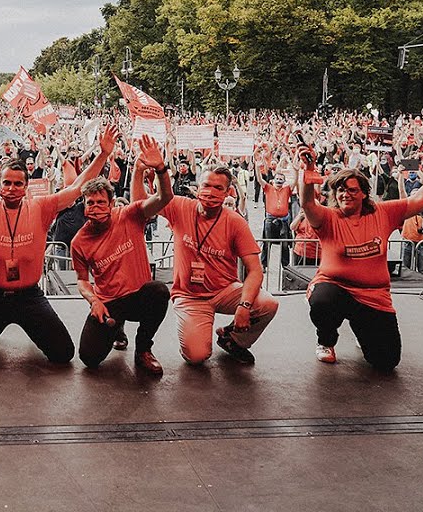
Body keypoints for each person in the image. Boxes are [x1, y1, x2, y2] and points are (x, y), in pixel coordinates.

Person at [0, 107, 117, 367]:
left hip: (28, 296)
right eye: (7, 183)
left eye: (18, 184)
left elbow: (78, 187)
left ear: (26, 187)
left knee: (63, 354)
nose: (12, 188)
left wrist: (104, 154)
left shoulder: (42, 207)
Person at [296, 134, 423, 371]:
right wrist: (308, 169)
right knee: (323, 300)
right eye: (341, 190)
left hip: (373, 296)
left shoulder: (382, 213)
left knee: (386, 362)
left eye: (352, 190)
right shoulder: (329, 218)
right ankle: (326, 340)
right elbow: (307, 203)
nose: (345, 194)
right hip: (335, 287)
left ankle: (361, 326)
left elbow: (421, 199)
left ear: (364, 193)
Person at [152, 163, 276, 366]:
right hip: (189, 296)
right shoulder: (179, 206)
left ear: (228, 192)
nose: (210, 192)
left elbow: (255, 270)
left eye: (218, 188)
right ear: (198, 187)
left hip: (225, 290)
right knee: (196, 356)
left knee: (268, 304)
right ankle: (198, 331)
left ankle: (233, 339)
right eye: (207, 185)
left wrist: (244, 306)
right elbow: (141, 203)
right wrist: (140, 171)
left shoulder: (235, 222)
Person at [72, 136, 174, 375]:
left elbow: (164, 198)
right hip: (109, 302)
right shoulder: (79, 241)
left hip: (138, 297)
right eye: (90, 203)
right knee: (89, 358)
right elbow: (82, 281)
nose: (95, 207)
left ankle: (143, 349)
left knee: (159, 291)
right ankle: (117, 327)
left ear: (111, 204)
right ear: (84, 207)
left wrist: (161, 169)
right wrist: (94, 301)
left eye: (101, 202)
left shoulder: (129, 215)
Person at [260, 170, 294, 270]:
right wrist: (256, 167)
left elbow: (295, 182)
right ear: (273, 180)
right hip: (270, 219)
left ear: (284, 181)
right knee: (267, 243)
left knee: (285, 245)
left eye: (281, 179)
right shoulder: (268, 188)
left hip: (283, 220)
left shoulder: (286, 189)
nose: (279, 181)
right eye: (277, 179)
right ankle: (263, 264)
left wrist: (296, 170)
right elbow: (259, 179)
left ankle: (285, 266)